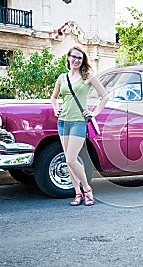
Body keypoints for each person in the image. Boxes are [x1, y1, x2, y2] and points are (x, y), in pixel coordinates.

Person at [51, 45, 109, 206]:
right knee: (69, 160)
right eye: (74, 57)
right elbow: (53, 97)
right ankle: (77, 193)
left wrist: (94, 113)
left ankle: (87, 189)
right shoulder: (62, 78)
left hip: (78, 121)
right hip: (63, 122)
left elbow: (105, 96)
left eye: (80, 57)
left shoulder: (87, 76)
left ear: (83, 60)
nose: (76, 60)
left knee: (70, 159)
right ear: (68, 58)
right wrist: (56, 108)